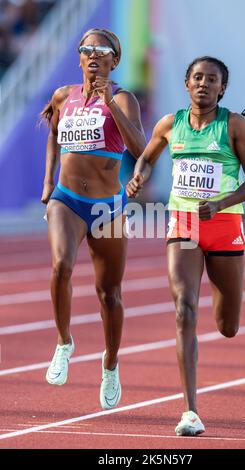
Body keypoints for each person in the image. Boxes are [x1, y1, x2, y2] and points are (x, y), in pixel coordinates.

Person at [126, 57, 245, 436]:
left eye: (212, 79)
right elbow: (146, 159)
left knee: (228, 326)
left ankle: (226, 322)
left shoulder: (234, 125)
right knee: (185, 309)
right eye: (197, 77)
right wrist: (138, 179)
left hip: (224, 225)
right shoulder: (170, 124)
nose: (204, 84)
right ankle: (190, 411)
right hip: (183, 222)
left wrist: (219, 203)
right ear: (186, 83)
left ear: (223, 88)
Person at [40, 28, 146, 409]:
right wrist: (48, 180)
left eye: (102, 50)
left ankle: (111, 364)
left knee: (109, 294)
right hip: (66, 199)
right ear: (80, 57)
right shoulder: (63, 96)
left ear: (114, 60)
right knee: (60, 265)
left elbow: (140, 148)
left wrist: (110, 104)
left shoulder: (123, 97)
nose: (94, 55)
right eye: (87, 49)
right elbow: (52, 134)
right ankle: (64, 342)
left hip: (107, 207)